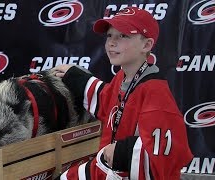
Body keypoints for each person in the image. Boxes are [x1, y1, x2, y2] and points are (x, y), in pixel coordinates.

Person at [53, 7, 193, 180]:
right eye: (109, 35)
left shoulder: (155, 93)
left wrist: (123, 152)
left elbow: (166, 155)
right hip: (109, 168)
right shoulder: (124, 77)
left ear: (146, 45)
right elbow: (107, 101)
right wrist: (75, 77)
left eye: (123, 36)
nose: (111, 42)